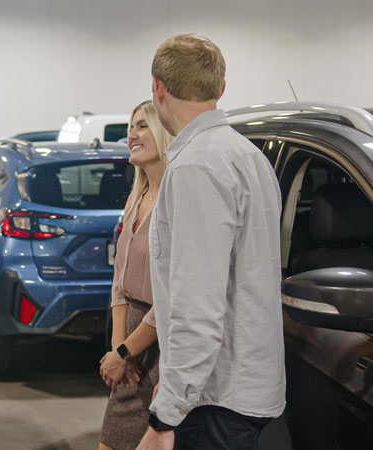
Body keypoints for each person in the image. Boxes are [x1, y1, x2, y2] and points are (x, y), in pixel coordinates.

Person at [136, 34, 284, 450]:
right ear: (220, 90)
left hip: (214, 401)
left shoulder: (197, 167)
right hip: (238, 392)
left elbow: (197, 308)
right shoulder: (247, 155)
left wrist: (166, 414)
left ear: (158, 88)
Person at [98, 100, 174, 450]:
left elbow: (171, 301)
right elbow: (119, 286)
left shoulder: (173, 204)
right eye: (131, 127)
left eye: (142, 126)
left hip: (160, 353)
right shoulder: (136, 200)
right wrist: (118, 349)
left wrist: (125, 352)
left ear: (163, 132)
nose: (132, 134)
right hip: (131, 351)